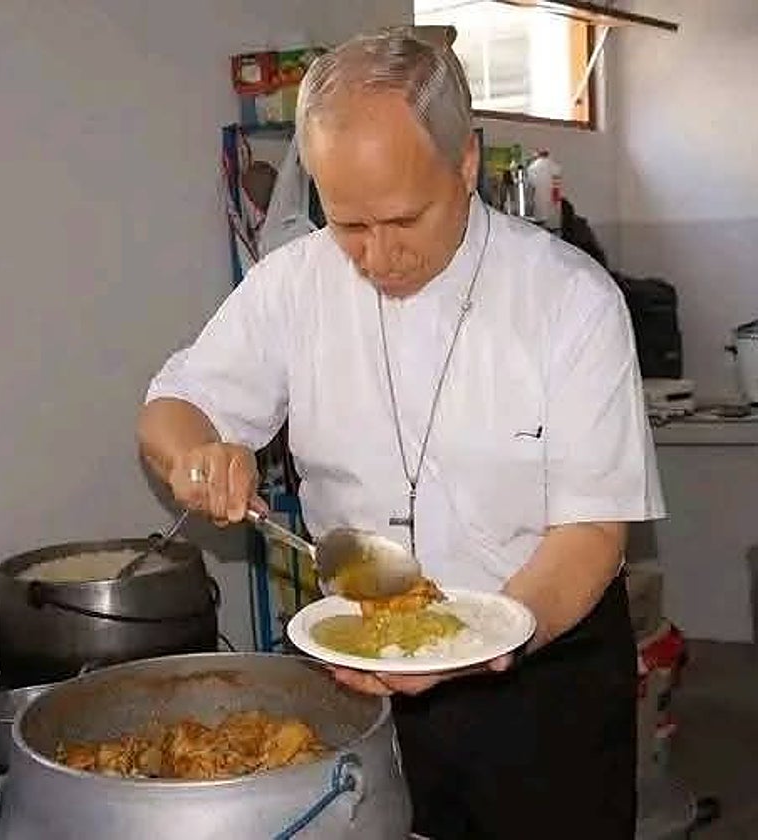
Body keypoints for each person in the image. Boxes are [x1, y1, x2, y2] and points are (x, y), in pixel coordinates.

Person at [136, 29, 664, 840]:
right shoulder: (297, 284)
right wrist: (197, 454)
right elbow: (172, 408)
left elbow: (593, 530)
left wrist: (481, 639)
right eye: (347, 224)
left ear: (464, 164)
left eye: (402, 220)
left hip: (539, 672)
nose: (377, 257)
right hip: (361, 666)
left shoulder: (570, 301)